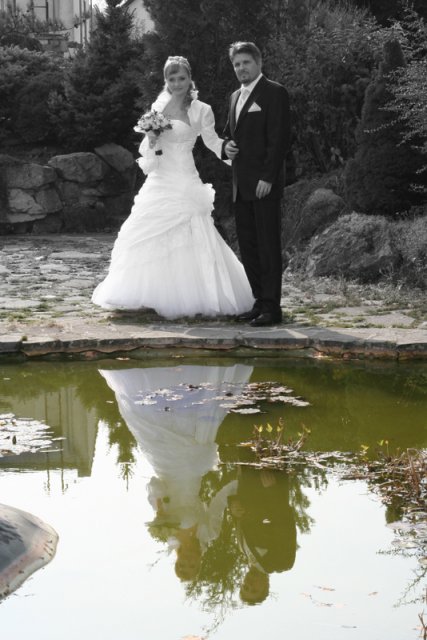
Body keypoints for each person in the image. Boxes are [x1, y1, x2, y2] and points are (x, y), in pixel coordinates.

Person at [92, 56, 254, 320]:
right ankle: (147, 294)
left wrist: (228, 150)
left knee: (192, 227)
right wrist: (151, 139)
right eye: (171, 79)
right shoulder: (158, 107)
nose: (177, 84)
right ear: (165, 81)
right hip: (160, 177)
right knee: (145, 229)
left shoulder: (202, 110)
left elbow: (212, 141)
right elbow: (149, 151)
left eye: (181, 78)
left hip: (185, 177)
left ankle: (194, 295)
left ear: (190, 78)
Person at [223, 42, 291, 327]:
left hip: (264, 184)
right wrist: (226, 147)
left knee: (268, 247)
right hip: (241, 186)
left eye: (246, 62)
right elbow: (229, 134)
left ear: (259, 62)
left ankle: (272, 308)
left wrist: (268, 177)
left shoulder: (274, 92)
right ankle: (259, 302)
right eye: (237, 64)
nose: (241, 68)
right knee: (249, 247)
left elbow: (280, 139)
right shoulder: (234, 97)